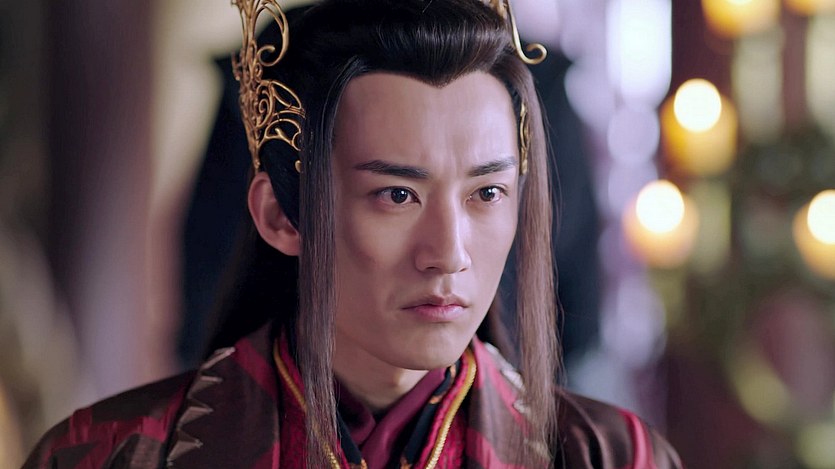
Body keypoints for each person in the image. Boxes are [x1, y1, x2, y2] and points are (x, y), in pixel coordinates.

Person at [24, 0, 683, 467]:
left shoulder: (612, 455)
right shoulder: (109, 454)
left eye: (486, 193)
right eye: (396, 195)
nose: (449, 253)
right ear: (280, 215)